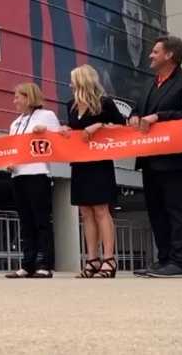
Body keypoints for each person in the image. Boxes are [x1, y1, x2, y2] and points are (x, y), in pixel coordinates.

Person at [130, 35, 182, 278]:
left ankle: (178, 262)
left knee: (175, 208)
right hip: (149, 156)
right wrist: (132, 115)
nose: (150, 55)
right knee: (155, 210)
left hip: (174, 157)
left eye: (155, 52)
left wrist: (160, 116)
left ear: (169, 55)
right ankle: (163, 261)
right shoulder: (149, 84)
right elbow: (138, 109)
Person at [60, 66, 125, 278]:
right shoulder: (70, 106)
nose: (69, 84)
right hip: (79, 163)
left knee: (100, 210)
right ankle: (92, 259)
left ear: (82, 81)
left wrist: (98, 125)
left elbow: (121, 127)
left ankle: (109, 259)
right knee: (85, 212)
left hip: (100, 162)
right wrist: (66, 130)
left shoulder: (105, 103)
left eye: (72, 80)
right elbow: (74, 131)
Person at [5, 83, 60, 279]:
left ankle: (44, 263)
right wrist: (9, 162)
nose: (15, 101)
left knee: (41, 221)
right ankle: (27, 264)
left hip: (38, 173)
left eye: (17, 97)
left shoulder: (47, 116)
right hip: (18, 176)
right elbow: (12, 148)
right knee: (25, 222)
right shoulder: (15, 124)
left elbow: (59, 139)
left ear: (28, 98)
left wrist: (44, 131)